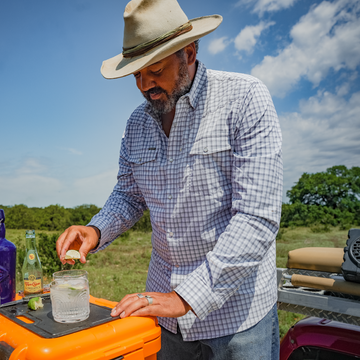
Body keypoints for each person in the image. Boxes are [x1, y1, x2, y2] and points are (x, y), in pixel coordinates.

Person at [56, 0, 283, 358]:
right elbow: (129, 196)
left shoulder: (244, 99)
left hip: (238, 317)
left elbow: (257, 217)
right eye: (136, 75)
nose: (146, 84)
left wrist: (185, 297)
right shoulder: (137, 124)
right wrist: (95, 230)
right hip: (165, 316)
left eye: (156, 70)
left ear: (189, 53)